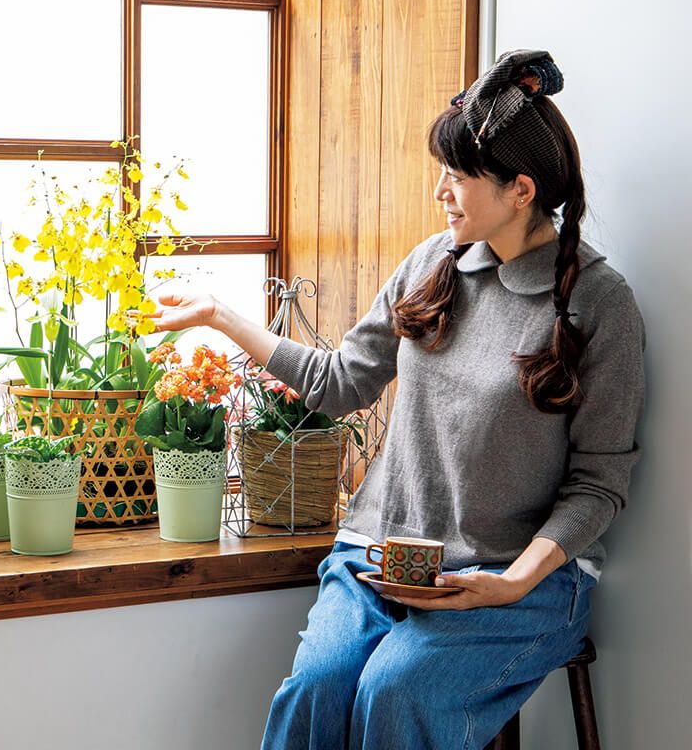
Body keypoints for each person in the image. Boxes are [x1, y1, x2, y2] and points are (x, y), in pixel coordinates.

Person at [143, 50, 646, 749]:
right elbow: (339, 382)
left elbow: (600, 482)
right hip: (383, 555)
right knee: (316, 690)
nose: (441, 191)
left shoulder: (598, 302)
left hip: (517, 579)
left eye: (458, 176)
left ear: (521, 190)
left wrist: (512, 582)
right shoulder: (430, 266)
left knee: (394, 693)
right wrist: (221, 316)